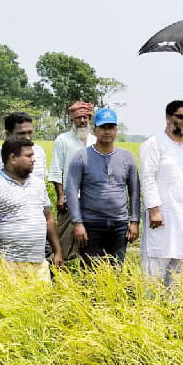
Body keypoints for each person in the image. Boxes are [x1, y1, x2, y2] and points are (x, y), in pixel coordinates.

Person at [140, 100, 183, 290]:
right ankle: (150, 315)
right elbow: (147, 177)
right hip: (162, 216)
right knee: (154, 274)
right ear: (168, 117)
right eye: (180, 116)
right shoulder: (153, 143)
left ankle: (176, 314)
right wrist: (154, 210)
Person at [0, 138, 63, 281]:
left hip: (39, 263)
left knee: (42, 301)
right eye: (28, 156)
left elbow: (49, 219)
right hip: (9, 264)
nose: (33, 160)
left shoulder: (38, 184)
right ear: (13, 159)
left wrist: (57, 251)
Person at [65, 108, 140, 266]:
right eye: (103, 127)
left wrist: (134, 221)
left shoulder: (127, 157)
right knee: (91, 273)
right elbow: (71, 191)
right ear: (95, 130)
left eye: (111, 127)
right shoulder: (81, 157)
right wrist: (77, 223)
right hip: (91, 225)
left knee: (115, 271)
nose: (107, 131)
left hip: (119, 225)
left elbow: (134, 191)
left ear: (116, 130)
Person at [48, 101, 97, 261]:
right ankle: (60, 274)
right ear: (72, 120)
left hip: (91, 199)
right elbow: (56, 169)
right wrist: (60, 196)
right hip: (70, 199)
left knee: (89, 243)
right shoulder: (63, 140)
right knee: (64, 241)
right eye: (79, 118)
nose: (82, 121)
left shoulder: (95, 141)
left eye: (85, 117)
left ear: (90, 119)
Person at [0, 112, 47, 185]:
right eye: (22, 133)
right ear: (8, 134)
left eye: (30, 132)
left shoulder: (39, 152)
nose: (27, 137)